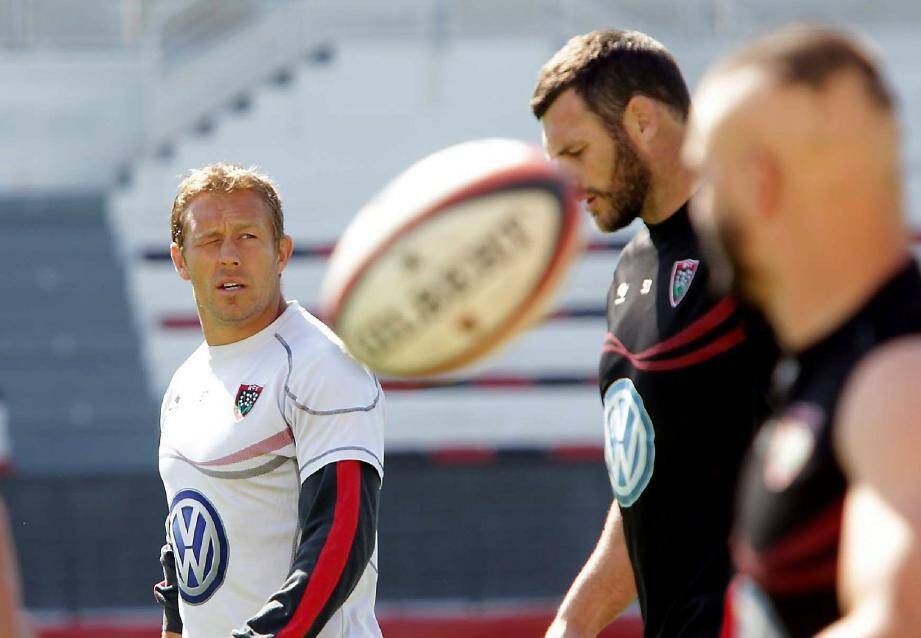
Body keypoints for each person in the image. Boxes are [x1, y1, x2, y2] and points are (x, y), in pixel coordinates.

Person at [531, 30, 776, 637]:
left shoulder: (764, 244)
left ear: (641, 120)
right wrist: (574, 622)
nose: (568, 182)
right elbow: (653, 487)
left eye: (577, 152)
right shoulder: (631, 269)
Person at [683, 26, 921, 637]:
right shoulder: (844, 360)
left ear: (758, 185)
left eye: (705, 180)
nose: (700, 210)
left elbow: (901, 621)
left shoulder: (896, 379)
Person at [154, 163, 385, 638]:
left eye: (247, 237)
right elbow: (186, 547)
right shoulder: (183, 385)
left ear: (282, 253)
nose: (229, 256)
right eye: (210, 240)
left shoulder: (321, 365)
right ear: (180, 260)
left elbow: (341, 538)